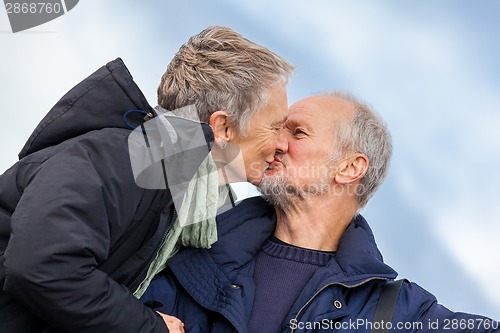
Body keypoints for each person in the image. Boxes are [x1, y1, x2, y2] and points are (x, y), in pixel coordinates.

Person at [0, 26, 293, 333]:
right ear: (223, 128)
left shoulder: (177, 189)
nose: (282, 144)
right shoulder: (126, 158)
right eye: (275, 126)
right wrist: (150, 327)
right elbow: (40, 265)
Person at [141, 91, 500, 332]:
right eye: (278, 129)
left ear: (348, 168)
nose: (277, 143)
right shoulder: (189, 244)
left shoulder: (395, 312)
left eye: (297, 133)